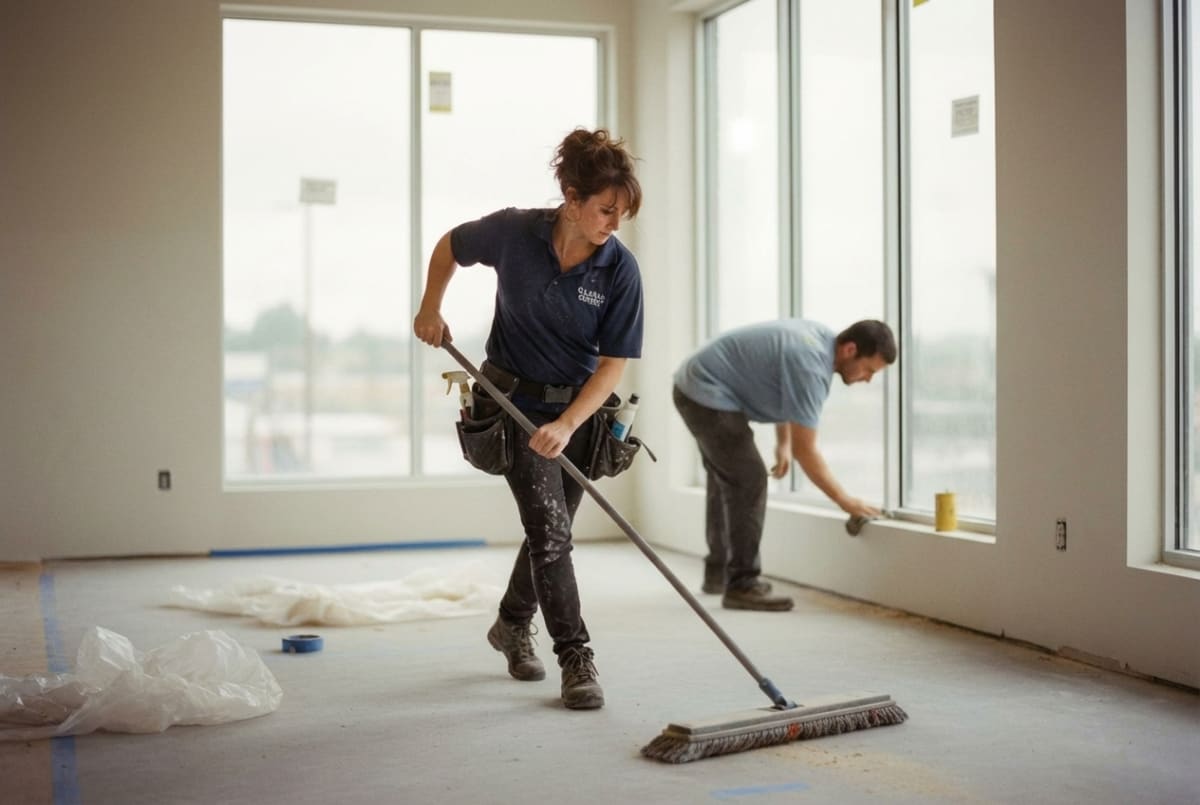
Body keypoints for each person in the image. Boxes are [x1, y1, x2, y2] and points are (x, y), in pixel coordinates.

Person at [413, 128, 644, 710]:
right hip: (512, 404)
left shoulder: (620, 270)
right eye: (606, 209)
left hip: (578, 416)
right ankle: (576, 657)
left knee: (550, 533)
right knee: (551, 534)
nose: (614, 223)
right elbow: (450, 245)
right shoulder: (514, 232)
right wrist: (430, 306)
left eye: (622, 212)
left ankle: (512, 623)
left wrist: (568, 424)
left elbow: (612, 367)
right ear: (572, 198)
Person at [672, 318, 897, 612]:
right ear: (850, 349)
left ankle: (718, 573)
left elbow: (781, 384)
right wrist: (846, 501)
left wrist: (783, 443)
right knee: (749, 479)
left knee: (727, 475)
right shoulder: (812, 367)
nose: (867, 379)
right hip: (705, 391)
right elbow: (807, 452)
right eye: (869, 370)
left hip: (694, 384)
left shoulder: (819, 340)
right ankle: (742, 585)